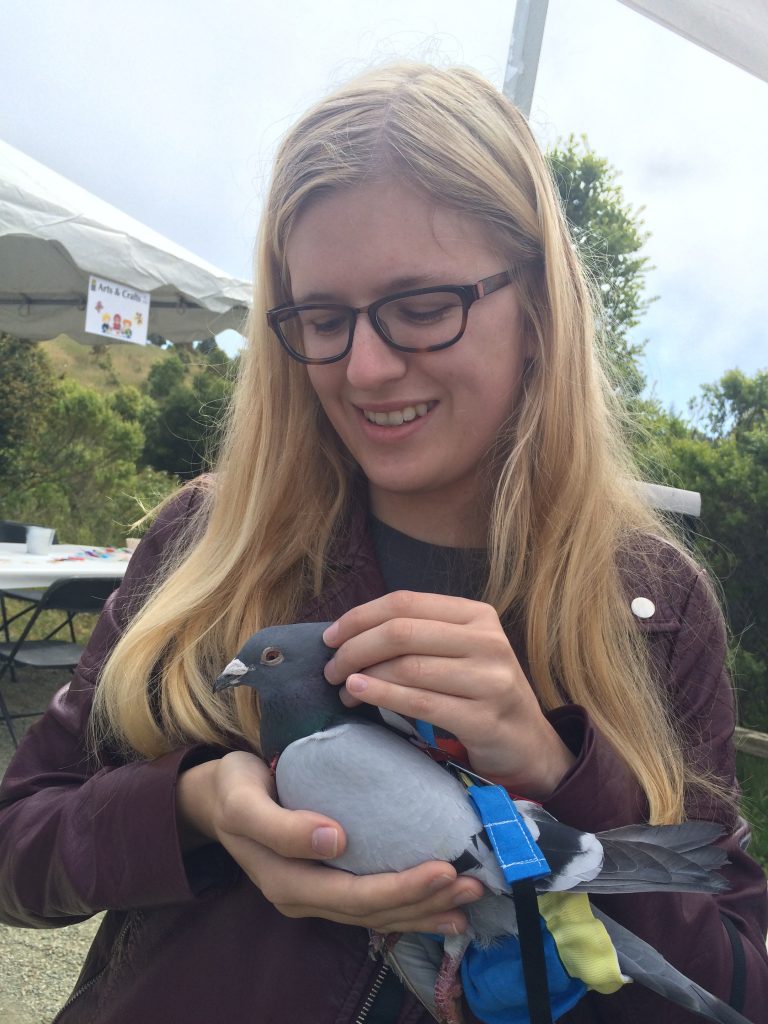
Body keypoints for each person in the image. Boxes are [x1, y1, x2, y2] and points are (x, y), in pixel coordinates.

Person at [0, 62, 766, 1024]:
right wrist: (193, 810)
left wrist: (555, 768)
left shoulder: (653, 604)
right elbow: (13, 848)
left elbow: (736, 984)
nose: (363, 367)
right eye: (322, 318)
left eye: (421, 306)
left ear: (536, 307)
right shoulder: (206, 542)